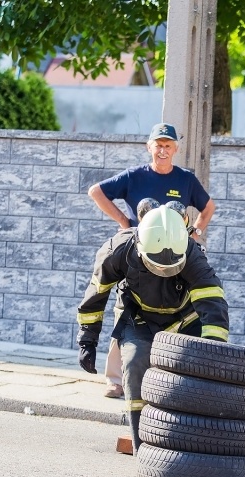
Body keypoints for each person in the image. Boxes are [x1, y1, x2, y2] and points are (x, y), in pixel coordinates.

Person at [76, 206, 229, 454]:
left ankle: (191, 440)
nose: (164, 272)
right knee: (135, 364)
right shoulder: (118, 250)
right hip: (139, 318)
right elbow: (96, 295)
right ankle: (143, 449)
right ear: (140, 246)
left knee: (194, 375)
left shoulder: (192, 253)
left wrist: (213, 349)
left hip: (185, 319)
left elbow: (212, 301)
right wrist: (87, 340)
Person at [88, 122, 217, 398]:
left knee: (179, 311)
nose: (162, 150)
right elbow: (96, 191)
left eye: (168, 145)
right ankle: (116, 380)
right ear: (149, 147)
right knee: (125, 311)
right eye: (158, 145)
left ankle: (169, 377)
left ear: (175, 149)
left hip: (174, 258)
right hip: (138, 255)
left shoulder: (185, 179)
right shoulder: (134, 176)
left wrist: (196, 232)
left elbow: (208, 207)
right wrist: (124, 222)